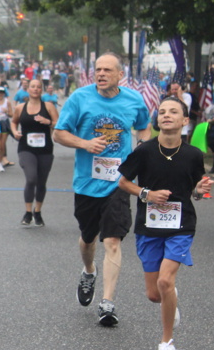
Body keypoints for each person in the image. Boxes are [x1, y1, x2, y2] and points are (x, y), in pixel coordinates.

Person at [52, 52, 150, 327]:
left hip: (119, 181)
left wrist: (141, 148)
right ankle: (88, 270)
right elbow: (59, 133)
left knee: (113, 240)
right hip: (87, 182)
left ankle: (107, 303)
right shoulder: (79, 98)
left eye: (107, 70)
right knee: (88, 238)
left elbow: (144, 128)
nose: (101, 74)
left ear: (120, 75)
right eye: (98, 69)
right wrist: (85, 144)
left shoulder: (134, 100)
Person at [117, 96, 212, 350]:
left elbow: (195, 191)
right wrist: (146, 193)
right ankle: (170, 298)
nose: (166, 115)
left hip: (181, 225)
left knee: (165, 281)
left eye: (173, 112)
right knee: (154, 294)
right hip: (149, 226)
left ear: (185, 120)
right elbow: (123, 182)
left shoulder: (193, 155)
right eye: (162, 112)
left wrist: (200, 190)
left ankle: (166, 344)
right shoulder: (145, 151)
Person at [11, 78, 59, 227]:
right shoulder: (20, 107)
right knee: (31, 178)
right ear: (28, 89)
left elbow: (59, 123)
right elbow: (13, 122)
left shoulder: (48, 106)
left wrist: (48, 122)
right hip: (26, 148)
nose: (36, 89)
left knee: (41, 182)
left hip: (45, 149)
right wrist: (15, 132)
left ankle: (37, 211)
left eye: (38, 87)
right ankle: (27, 212)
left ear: (41, 90)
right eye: (33, 86)